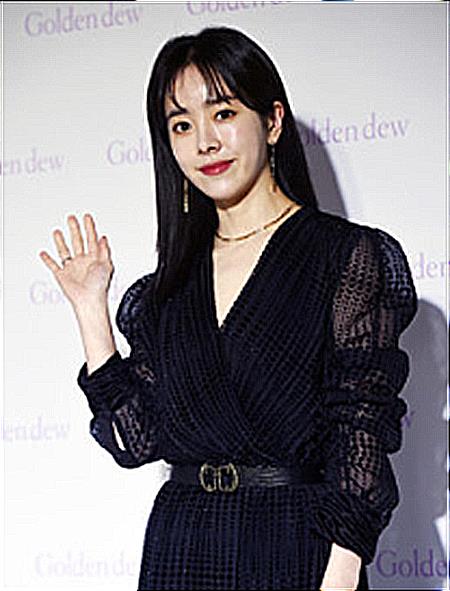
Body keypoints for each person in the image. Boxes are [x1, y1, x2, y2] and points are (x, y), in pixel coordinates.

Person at [39, 26, 418, 591]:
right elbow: (134, 441)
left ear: (272, 121)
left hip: (297, 544)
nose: (205, 142)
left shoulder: (343, 255)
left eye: (223, 113)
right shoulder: (168, 288)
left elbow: (360, 427)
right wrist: (91, 308)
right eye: (182, 125)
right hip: (182, 546)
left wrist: (341, 572)